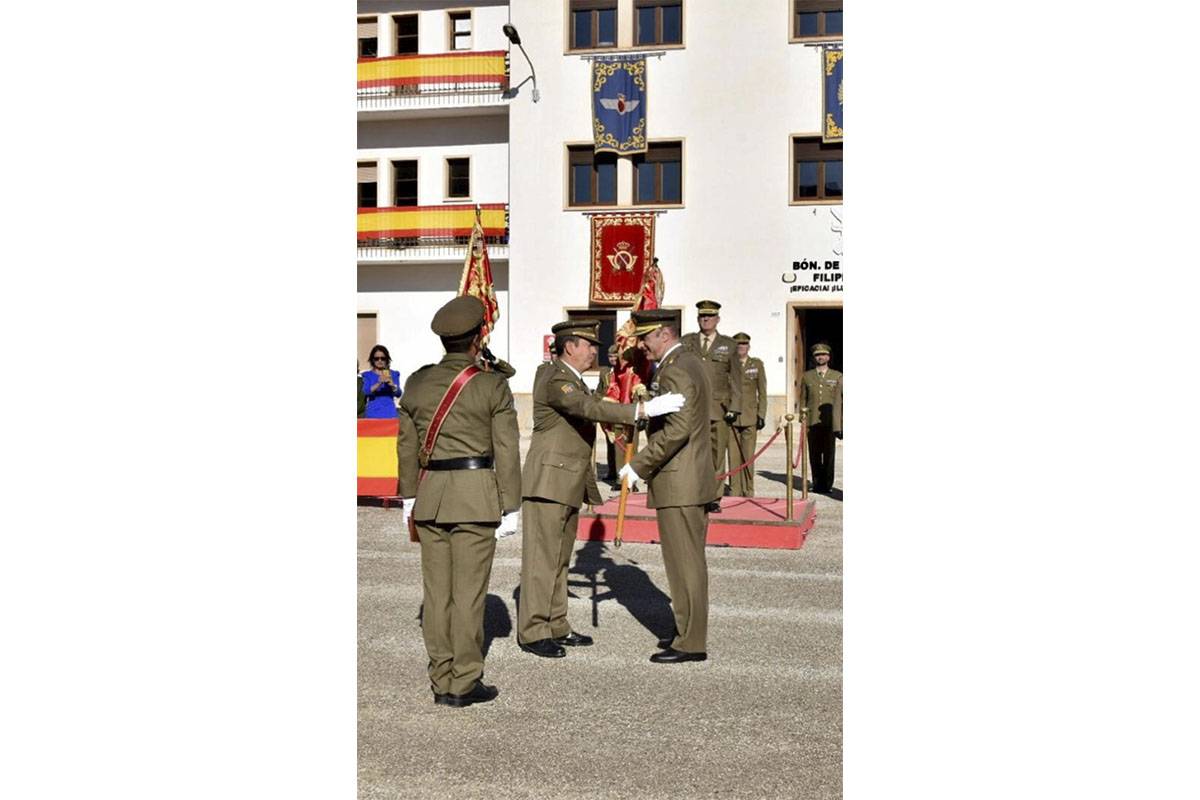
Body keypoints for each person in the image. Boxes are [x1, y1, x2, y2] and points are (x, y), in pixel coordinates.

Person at [517, 319, 686, 658]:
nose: (594, 350)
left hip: (566, 481)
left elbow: (595, 403)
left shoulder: (574, 380)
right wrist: (640, 410)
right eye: (588, 344)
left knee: (560, 559)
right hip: (548, 482)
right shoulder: (555, 378)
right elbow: (588, 408)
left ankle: (556, 623)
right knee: (542, 560)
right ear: (569, 348)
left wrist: (633, 392)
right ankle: (534, 631)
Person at [396, 296, 521, 708]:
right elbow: (506, 447)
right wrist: (512, 504)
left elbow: (407, 445)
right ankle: (464, 681)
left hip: (431, 497)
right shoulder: (490, 384)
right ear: (478, 336)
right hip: (475, 497)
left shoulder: (417, 382)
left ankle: (440, 676)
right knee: (468, 595)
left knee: (437, 594)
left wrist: (409, 497)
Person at [618, 309, 720, 664]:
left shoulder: (676, 368)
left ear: (663, 334)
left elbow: (678, 430)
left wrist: (638, 465)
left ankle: (691, 641)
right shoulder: (691, 362)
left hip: (680, 481)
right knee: (687, 562)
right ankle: (685, 629)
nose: (642, 346)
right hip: (690, 478)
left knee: (684, 564)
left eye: (645, 339)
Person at [680, 300, 742, 497]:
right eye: (701, 316)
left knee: (716, 453)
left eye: (709, 316)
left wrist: (735, 407)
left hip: (719, 408)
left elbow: (736, 378)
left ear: (717, 319)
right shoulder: (686, 342)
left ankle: (714, 496)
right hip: (693, 406)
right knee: (692, 451)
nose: (705, 319)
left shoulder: (729, 344)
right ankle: (694, 492)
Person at [800, 342, 843, 494]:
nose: (821, 357)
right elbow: (803, 399)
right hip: (812, 421)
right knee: (814, 453)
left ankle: (827, 484)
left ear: (829, 357)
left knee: (829, 453)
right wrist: (802, 416)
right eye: (818, 355)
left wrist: (841, 423)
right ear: (814, 357)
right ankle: (817, 483)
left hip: (830, 421)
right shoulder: (807, 376)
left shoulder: (837, 376)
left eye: (823, 354)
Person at [727, 332, 767, 497]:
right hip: (732, 417)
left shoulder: (756, 364)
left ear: (748, 347)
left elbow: (762, 391)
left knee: (748, 456)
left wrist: (762, 414)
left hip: (750, 416)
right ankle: (735, 490)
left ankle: (748, 490)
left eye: (744, 345)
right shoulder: (728, 365)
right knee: (733, 457)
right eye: (738, 345)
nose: (741, 348)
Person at [361, 345, 402, 418]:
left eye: (383, 358)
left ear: (387, 360)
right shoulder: (367, 375)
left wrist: (392, 384)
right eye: (376, 358)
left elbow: (398, 394)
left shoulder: (393, 374)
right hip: (373, 413)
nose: (380, 361)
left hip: (390, 413)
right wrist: (379, 383)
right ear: (372, 360)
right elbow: (365, 392)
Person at [596, 344, 618, 480]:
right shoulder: (605, 372)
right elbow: (600, 389)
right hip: (607, 413)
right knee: (610, 443)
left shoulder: (627, 371)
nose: (612, 359)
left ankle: (624, 478)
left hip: (621, 411)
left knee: (621, 445)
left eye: (615, 356)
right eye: (610, 357)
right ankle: (612, 472)